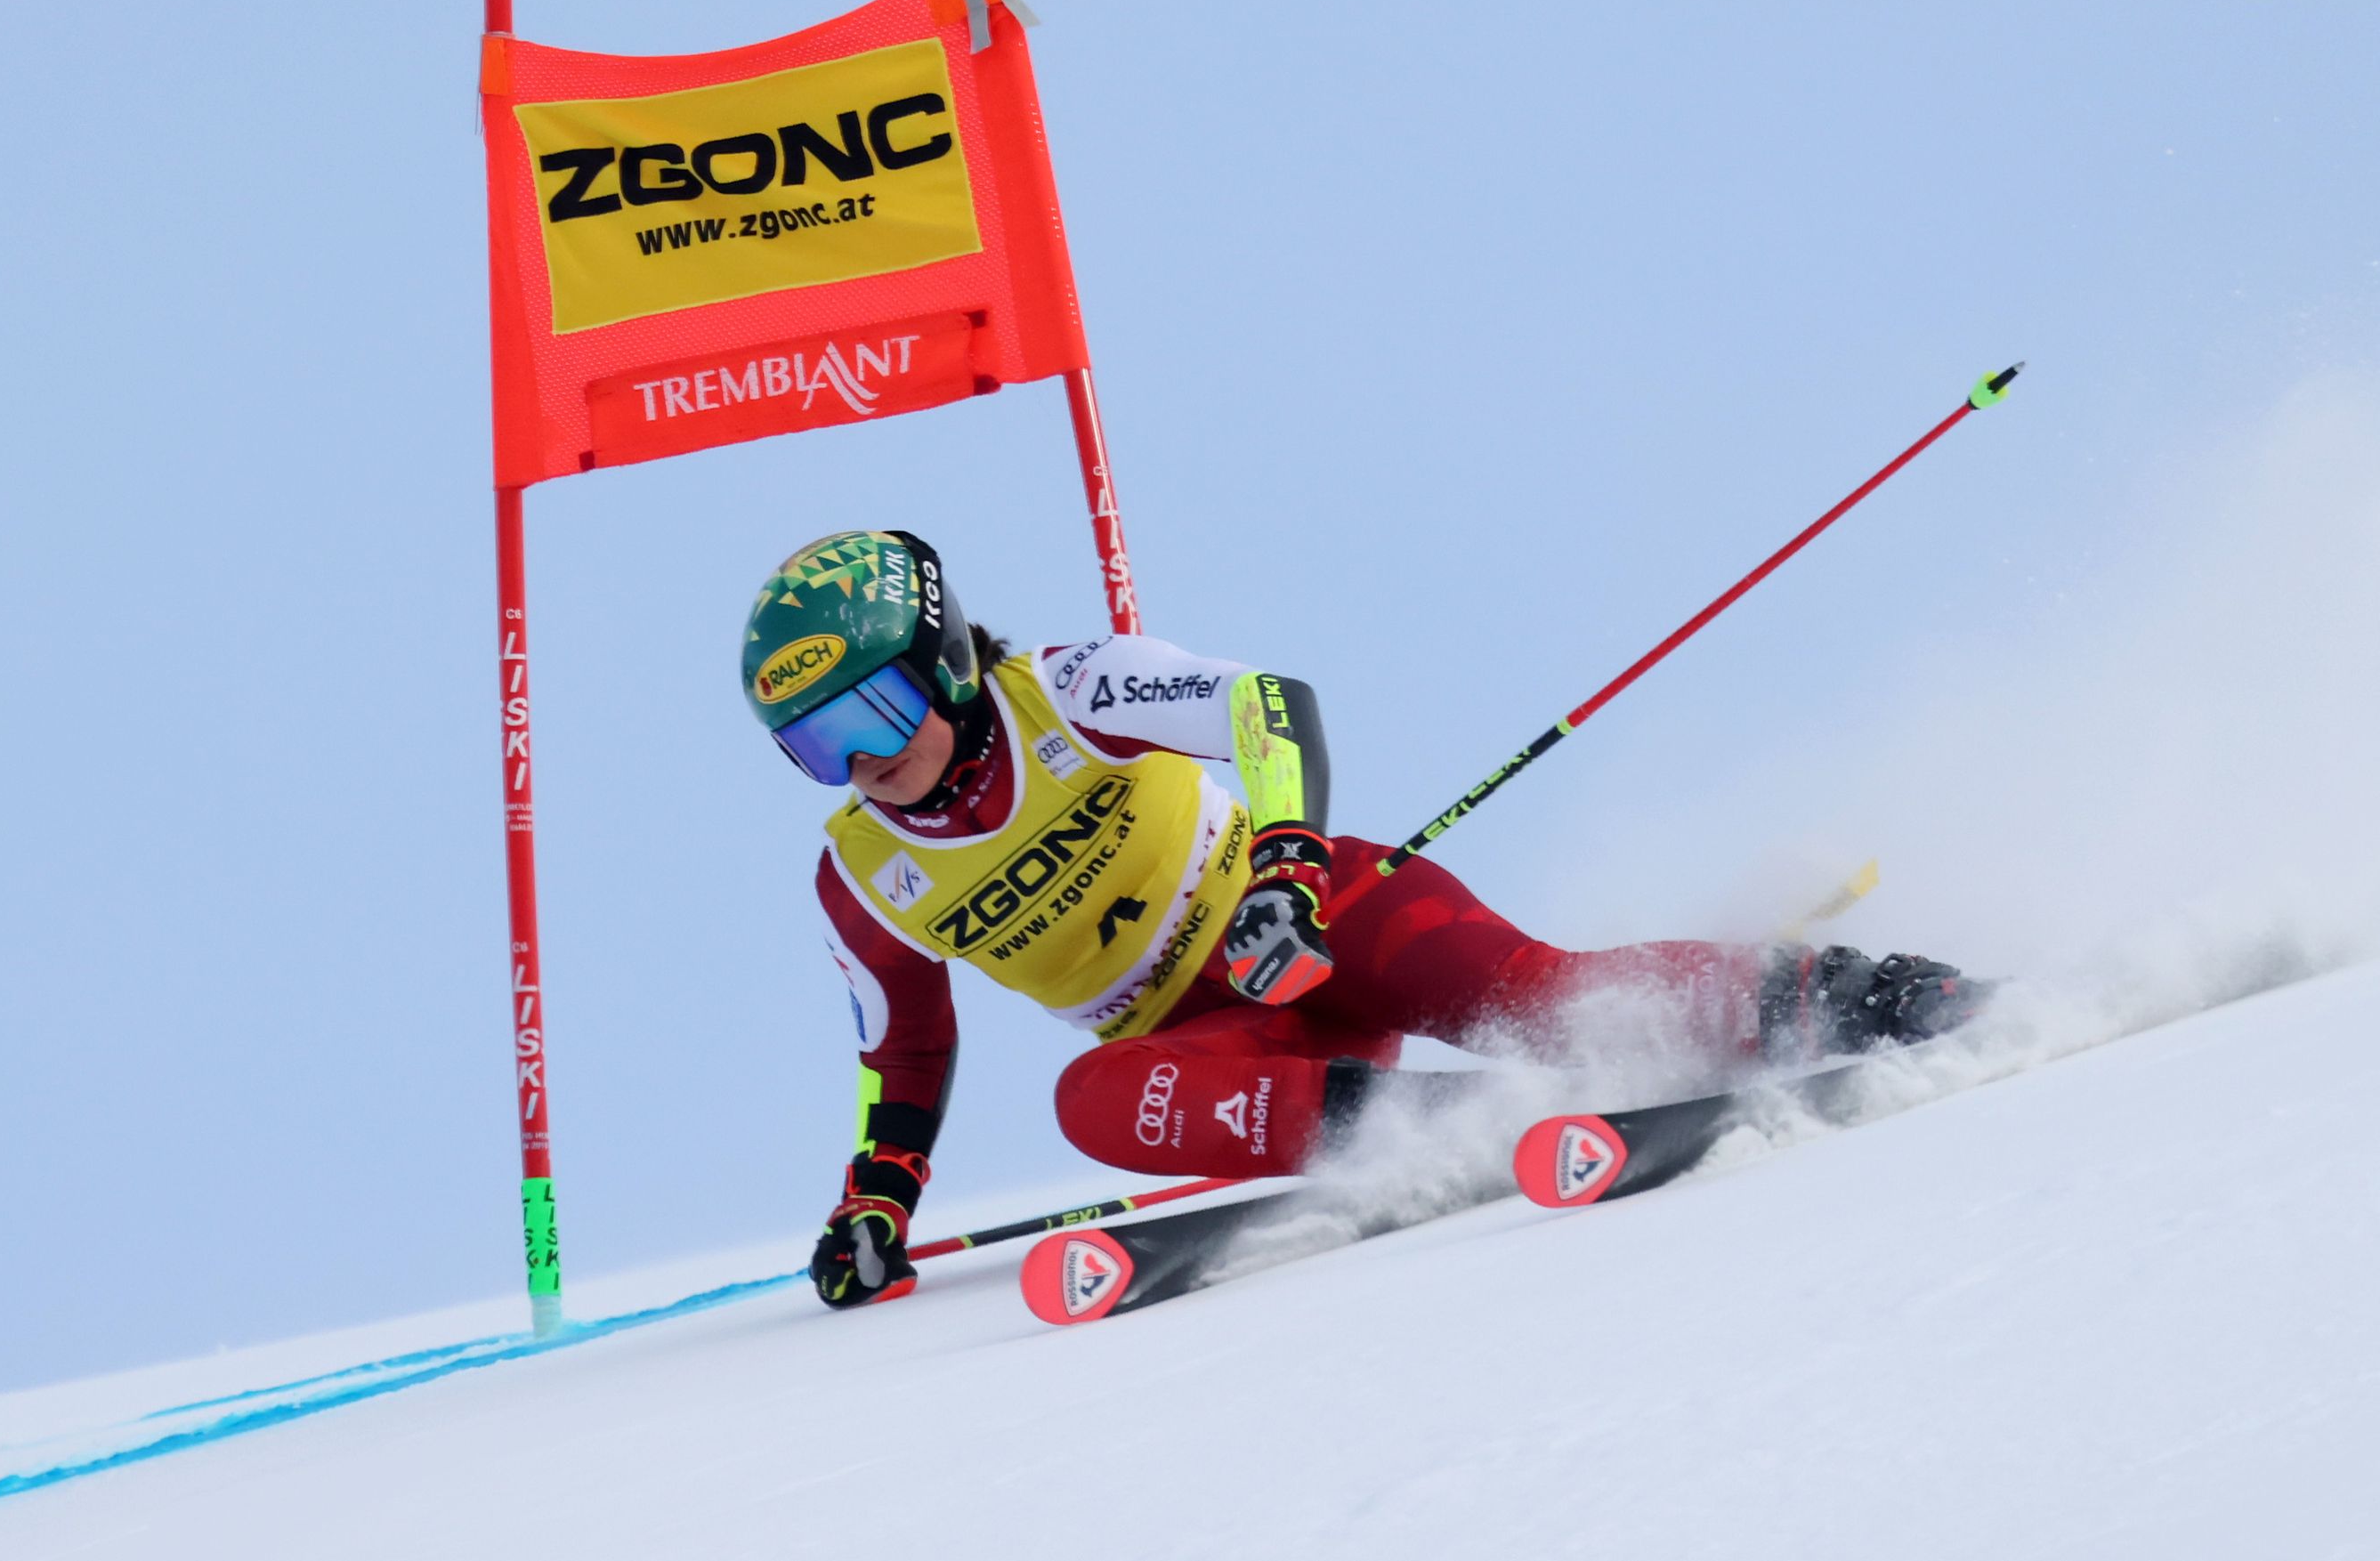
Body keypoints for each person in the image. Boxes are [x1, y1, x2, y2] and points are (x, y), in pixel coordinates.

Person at [742, 530, 1979, 1308]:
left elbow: (1268, 705)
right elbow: (906, 1047)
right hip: (1229, 1047)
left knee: (1542, 998)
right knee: (1094, 1100)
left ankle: (1858, 992)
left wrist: (1283, 871)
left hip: (1315, 917)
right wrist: (877, 1201)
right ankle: (1459, 1125)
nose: (862, 762)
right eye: (816, 744)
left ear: (948, 661)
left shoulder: (1066, 690)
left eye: (875, 712)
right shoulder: (862, 872)